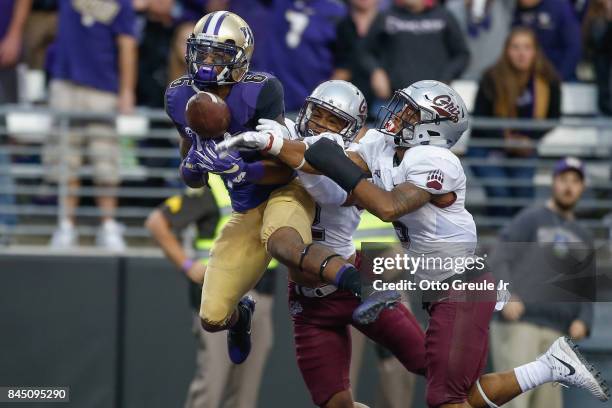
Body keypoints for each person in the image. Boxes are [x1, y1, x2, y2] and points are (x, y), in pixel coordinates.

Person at [220, 80, 609, 407]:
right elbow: (327, 167)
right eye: (402, 107)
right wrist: (271, 146)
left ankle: (550, 367)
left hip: (462, 282)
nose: (397, 115)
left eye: (410, 113)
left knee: (445, 399)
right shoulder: (382, 145)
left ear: (433, 128)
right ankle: (552, 366)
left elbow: (387, 207)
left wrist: (326, 160)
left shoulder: (436, 160)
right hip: (434, 286)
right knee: (455, 394)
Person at [254, 80, 426, 408]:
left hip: (353, 282)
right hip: (307, 302)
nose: (322, 125)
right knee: (335, 404)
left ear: (351, 130)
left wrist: (281, 148)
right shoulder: (289, 135)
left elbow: (328, 187)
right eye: (318, 114)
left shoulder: (355, 160)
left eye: (334, 121)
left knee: (431, 366)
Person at [145, 186, 275, 408]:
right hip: (221, 298)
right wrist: (187, 265)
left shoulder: (270, 179)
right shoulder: (214, 186)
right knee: (212, 386)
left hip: (261, 296)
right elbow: (156, 222)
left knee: (246, 393)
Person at [489, 156, 594, 408]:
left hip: (558, 334)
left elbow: (586, 286)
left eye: (575, 181)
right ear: (553, 182)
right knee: (514, 403)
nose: (569, 186)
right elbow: (499, 257)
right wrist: (506, 296)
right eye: (564, 179)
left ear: (583, 187)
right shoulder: (531, 218)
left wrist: (585, 320)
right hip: (521, 325)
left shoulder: (583, 236)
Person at [43, 0, 137, 250]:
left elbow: (128, 44)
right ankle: (65, 226)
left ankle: (108, 226)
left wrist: (127, 91)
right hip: (65, 83)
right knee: (65, 162)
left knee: (105, 163)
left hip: (104, 89)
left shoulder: (122, 3)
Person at [468, 27, 561, 216]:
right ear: (506, 50)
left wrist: (527, 140)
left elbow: (552, 118)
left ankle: (518, 242)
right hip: (488, 146)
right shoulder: (492, 77)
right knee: (501, 194)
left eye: (527, 48)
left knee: (523, 199)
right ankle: (497, 239)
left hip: (525, 148)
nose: (521, 54)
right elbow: (480, 119)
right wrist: (507, 140)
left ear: (535, 51)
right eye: (515, 47)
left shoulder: (548, 79)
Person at [364, 0, 469, 111]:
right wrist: (376, 71)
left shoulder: (443, 16)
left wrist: (445, 79)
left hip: (432, 104)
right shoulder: (387, 16)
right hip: (394, 103)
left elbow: (462, 54)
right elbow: (365, 51)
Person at [333, 0, 384, 116]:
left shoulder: (391, 24)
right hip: (349, 102)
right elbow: (341, 65)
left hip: (386, 101)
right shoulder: (342, 26)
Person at [513, 0, 581, 81]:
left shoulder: (559, 7)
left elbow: (574, 47)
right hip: (521, 78)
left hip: (556, 74)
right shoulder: (512, 8)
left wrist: (558, 78)